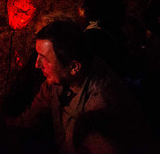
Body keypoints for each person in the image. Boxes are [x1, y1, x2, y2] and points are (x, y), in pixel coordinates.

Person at [10, 20, 151, 154]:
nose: (37, 64)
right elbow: (33, 115)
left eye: (44, 58)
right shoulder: (58, 79)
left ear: (74, 67)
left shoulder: (101, 109)